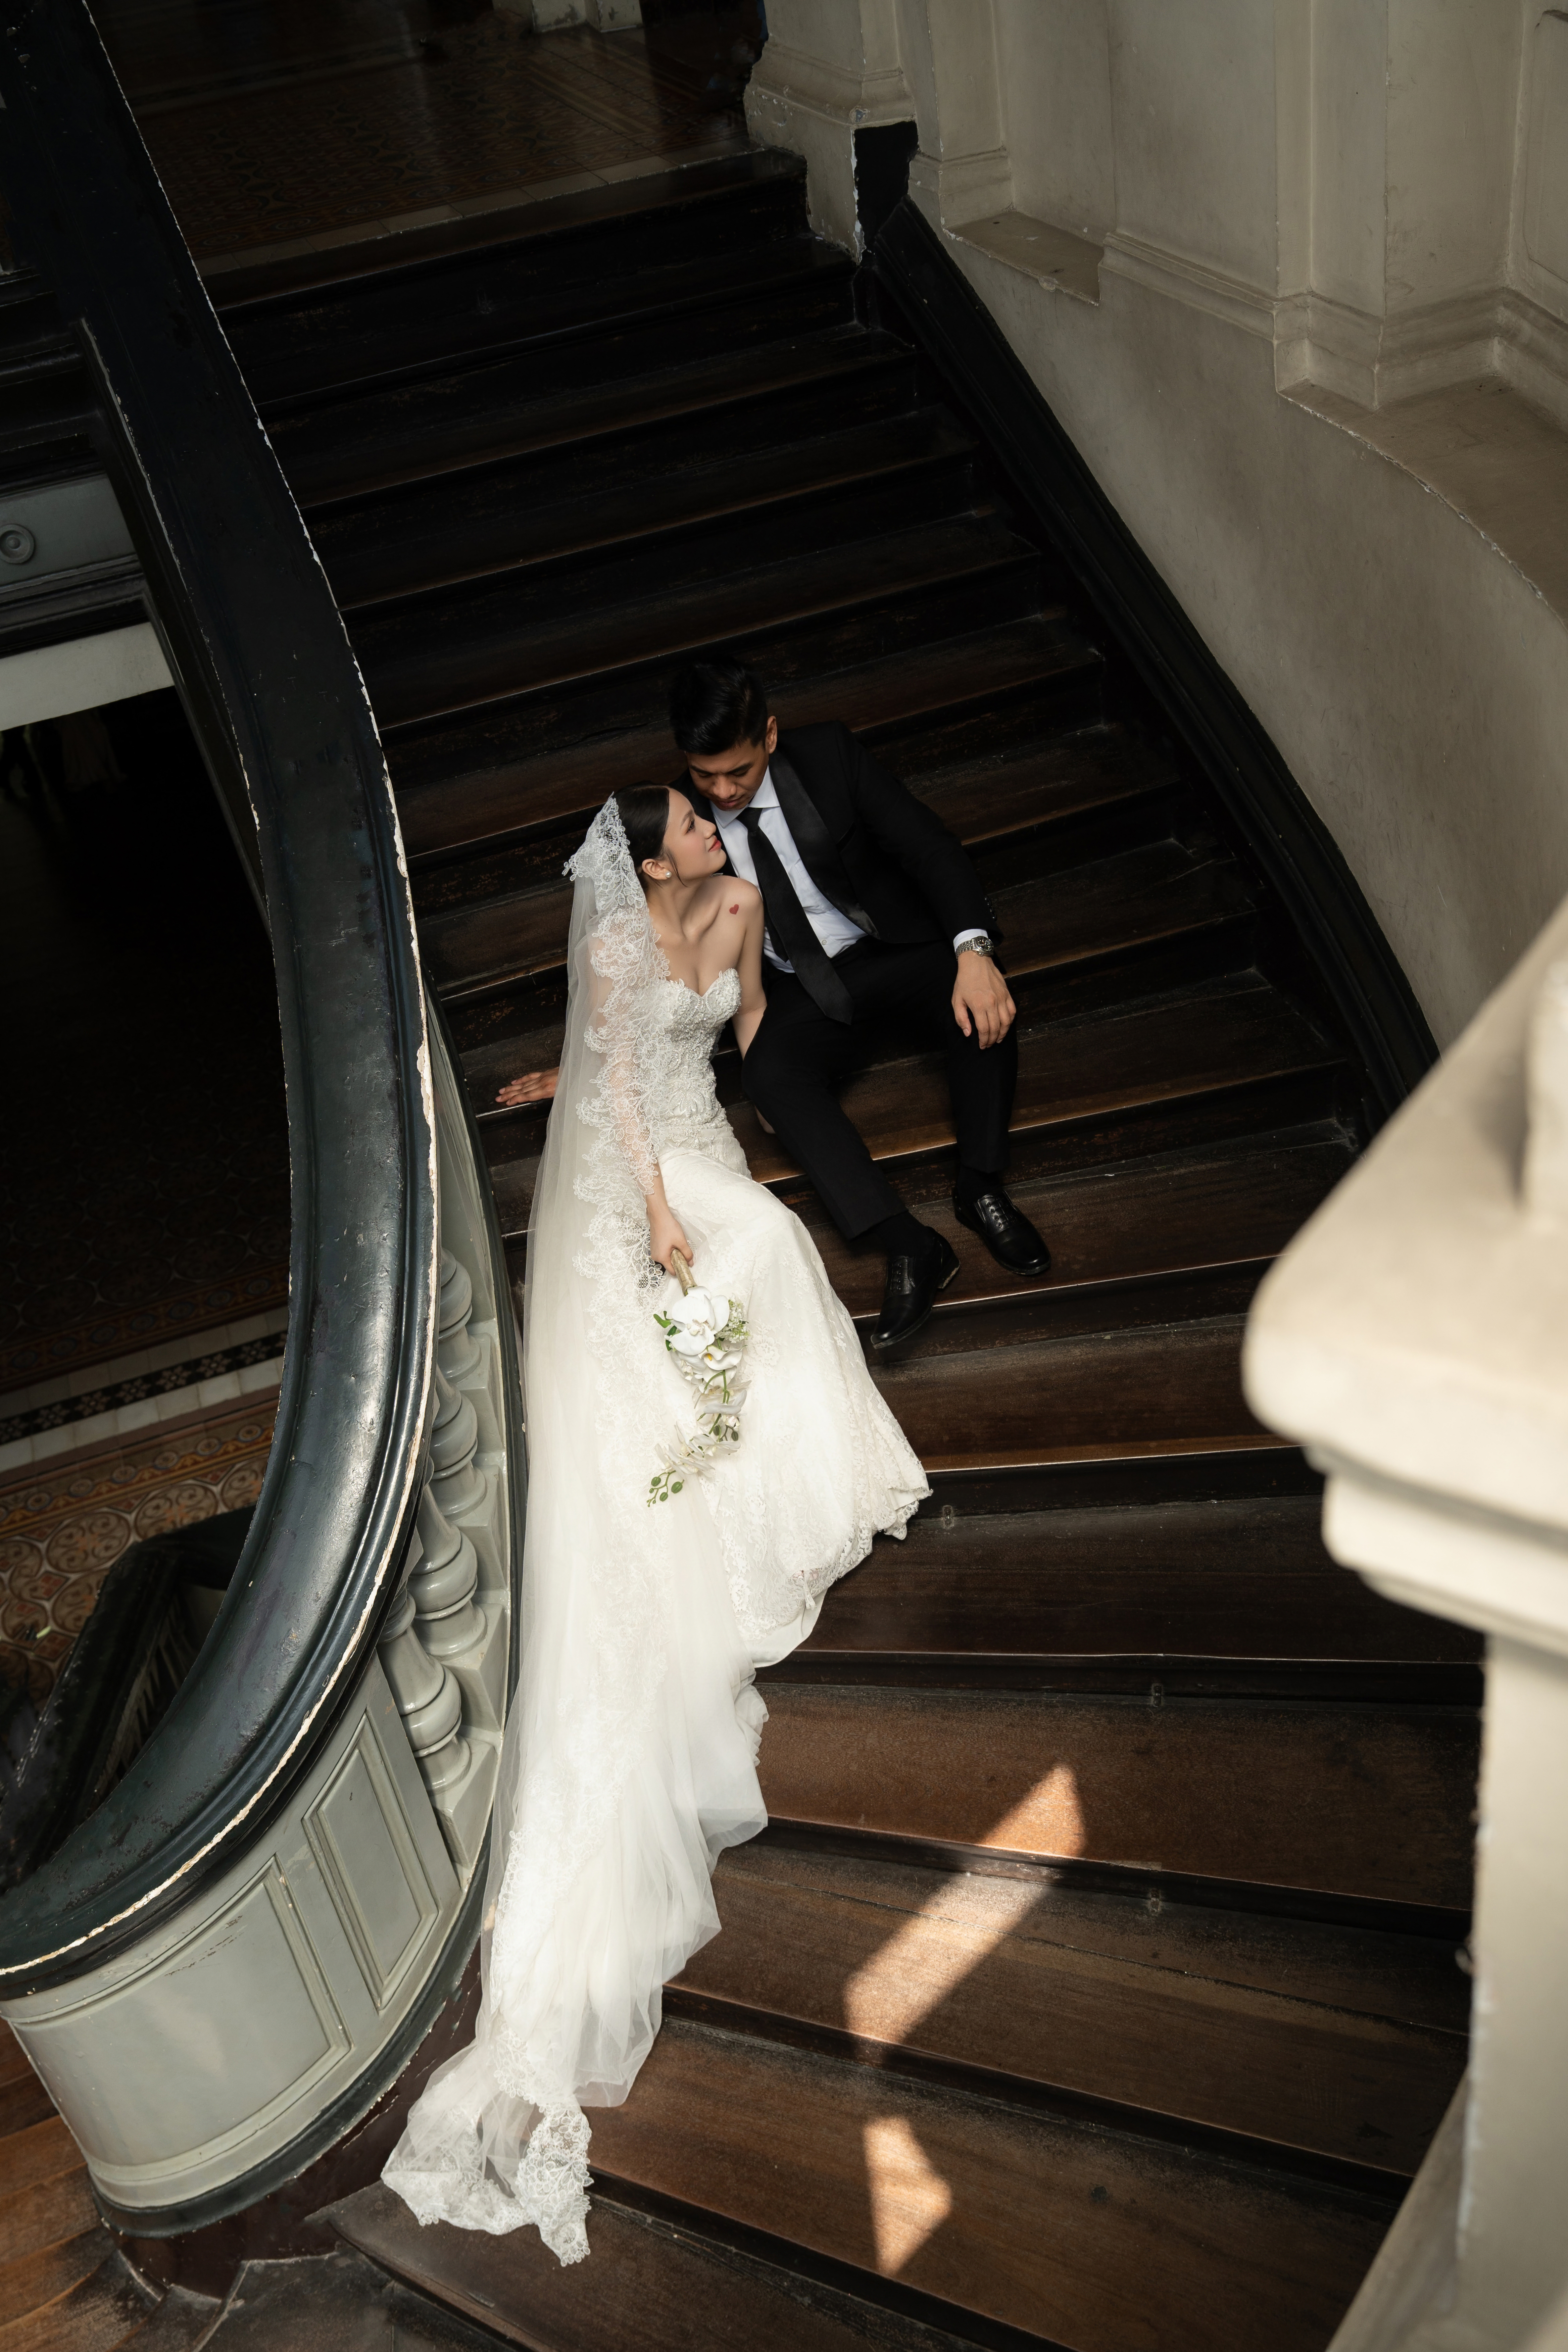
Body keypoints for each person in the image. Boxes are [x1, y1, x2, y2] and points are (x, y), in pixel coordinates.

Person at [383, 786, 928, 2263]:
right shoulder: (622, 933)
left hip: (699, 1146)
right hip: (645, 1178)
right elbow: (617, 1073)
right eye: (689, 826)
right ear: (654, 849)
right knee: (736, 1249)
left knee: (771, 1231)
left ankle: (774, 1457)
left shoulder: (742, 911)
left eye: (699, 827)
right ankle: (724, 1448)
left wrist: (813, 1053)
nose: (701, 843)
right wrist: (649, 1195)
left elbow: (747, 1032)